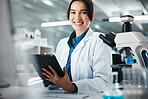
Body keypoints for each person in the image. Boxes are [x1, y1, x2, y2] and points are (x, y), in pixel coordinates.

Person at [42, 0, 112, 93]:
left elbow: (103, 82)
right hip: (61, 95)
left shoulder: (99, 41)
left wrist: (72, 87)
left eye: (83, 12)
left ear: (91, 15)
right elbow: (58, 77)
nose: (77, 17)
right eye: (73, 12)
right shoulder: (62, 43)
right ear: (69, 15)